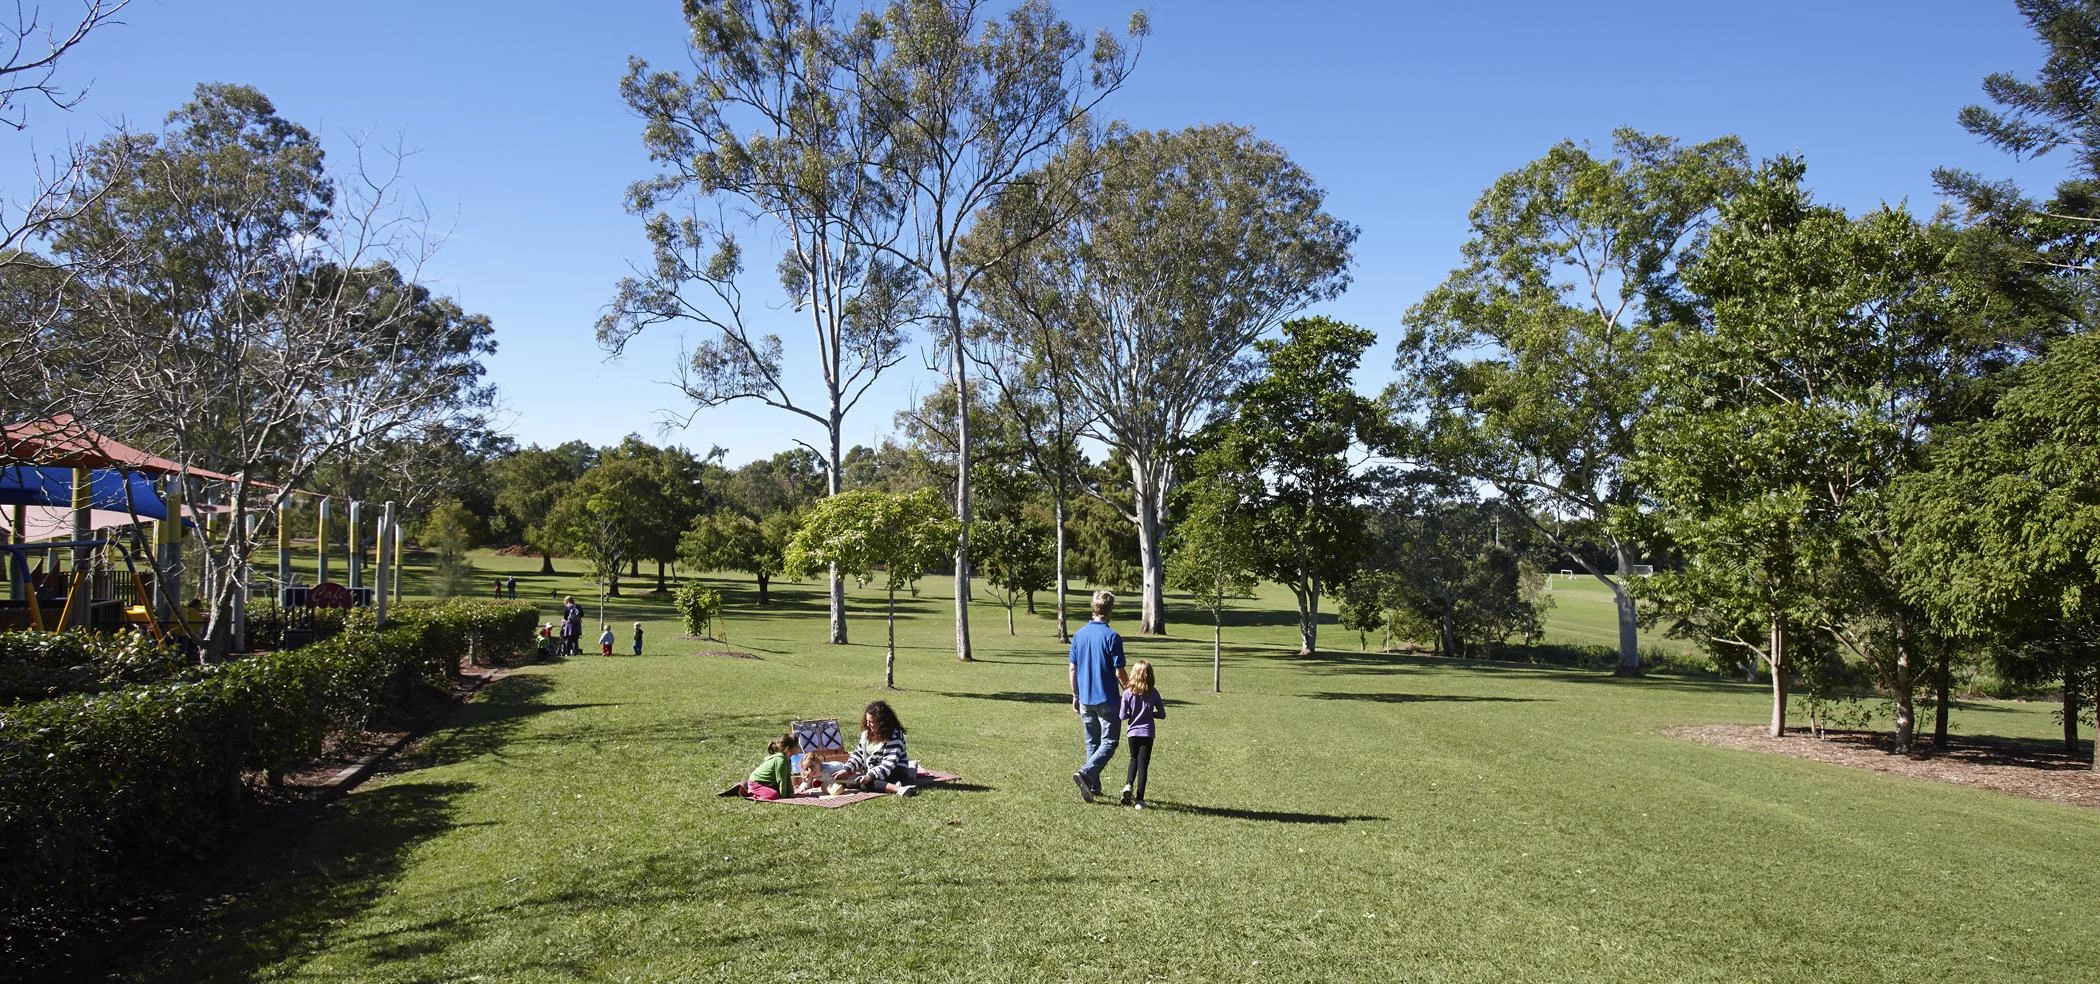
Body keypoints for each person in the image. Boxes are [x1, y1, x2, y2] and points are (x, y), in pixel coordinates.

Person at [1068, 589, 1128, 803]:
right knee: (1110, 741)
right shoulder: (1112, 637)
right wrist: (1130, 690)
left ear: (1093, 608)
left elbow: (1072, 668)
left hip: (1085, 698)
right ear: (1110, 610)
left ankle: (1093, 786)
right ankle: (1085, 774)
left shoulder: (1079, 635)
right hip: (1107, 699)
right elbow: (1118, 671)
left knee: (1091, 743)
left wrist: (1075, 694)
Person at [836, 700, 916, 796]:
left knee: (865, 784)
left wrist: (870, 776)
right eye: (867, 721)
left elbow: (888, 764)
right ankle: (889, 786)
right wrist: (847, 769)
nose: (868, 725)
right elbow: (858, 754)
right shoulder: (866, 734)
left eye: (872, 722)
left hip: (894, 771)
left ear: (882, 722)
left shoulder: (894, 736)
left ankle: (899, 789)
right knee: (849, 781)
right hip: (874, 771)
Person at [1118, 659, 1165, 809]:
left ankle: (1128, 784)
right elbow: (1162, 714)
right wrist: (1151, 715)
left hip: (1132, 733)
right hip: (1148, 733)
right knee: (1143, 765)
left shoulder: (1127, 693)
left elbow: (1122, 716)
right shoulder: (1153, 692)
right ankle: (1139, 800)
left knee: (1133, 759)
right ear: (1150, 675)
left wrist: (1132, 712)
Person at [739, 733, 799, 801]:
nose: (799, 747)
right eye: (797, 746)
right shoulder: (781, 761)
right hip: (756, 783)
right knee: (774, 795)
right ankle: (752, 793)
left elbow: (787, 777)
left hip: (767, 783)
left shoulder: (787, 759)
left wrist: (791, 793)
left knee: (777, 792)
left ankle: (759, 791)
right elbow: (781, 780)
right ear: (788, 749)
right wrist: (784, 797)